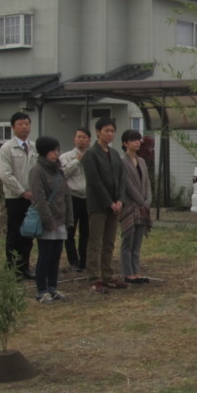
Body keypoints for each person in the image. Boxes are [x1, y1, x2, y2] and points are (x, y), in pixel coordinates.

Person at [82, 118, 128, 291]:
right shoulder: (91, 154)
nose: (110, 134)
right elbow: (94, 181)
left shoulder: (115, 154)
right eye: (106, 130)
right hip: (98, 205)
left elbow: (121, 179)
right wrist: (109, 202)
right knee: (95, 241)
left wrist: (119, 200)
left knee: (109, 241)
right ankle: (94, 277)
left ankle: (108, 275)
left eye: (112, 131)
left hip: (115, 205)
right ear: (98, 132)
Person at [28, 136, 73, 303]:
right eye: (54, 150)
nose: (57, 154)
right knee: (45, 256)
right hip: (47, 221)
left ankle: (53, 287)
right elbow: (39, 199)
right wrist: (49, 222)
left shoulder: (59, 170)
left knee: (56, 256)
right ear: (45, 152)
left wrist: (69, 218)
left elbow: (66, 195)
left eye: (58, 150)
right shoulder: (37, 171)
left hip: (60, 219)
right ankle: (41, 290)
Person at [0, 112, 38, 280]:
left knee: (28, 233)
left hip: (32, 198)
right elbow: (5, 174)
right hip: (15, 197)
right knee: (15, 233)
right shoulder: (7, 148)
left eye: (27, 123)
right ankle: (13, 268)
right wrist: (22, 191)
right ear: (13, 127)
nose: (24, 127)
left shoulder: (34, 147)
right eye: (21, 124)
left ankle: (25, 266)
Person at [119, 129, 152, 284]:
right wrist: (141, 202)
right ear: (125, 143)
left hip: (143, 208)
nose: (137, 142)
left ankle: (136, 271)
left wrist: (147, 201)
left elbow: (147, 184)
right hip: (130, 206)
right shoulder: (122, 161)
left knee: (137, 242)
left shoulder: (142, 162)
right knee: (128, 240)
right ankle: (127, 272)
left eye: (138, 140)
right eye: (133, 140)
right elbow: (128, 185)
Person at [60, 128, 91, 272]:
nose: (81, 140)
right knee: (70, 231)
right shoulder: (65, 157)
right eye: (79, 137)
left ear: (89, 140)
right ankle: (73, 261)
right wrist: (77, 161)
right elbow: (63, 174)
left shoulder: (92, 155)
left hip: (88, 198)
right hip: (72, 197)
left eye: (84, 137)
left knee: (86, 232)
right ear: (74, 139)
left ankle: (84, 261)